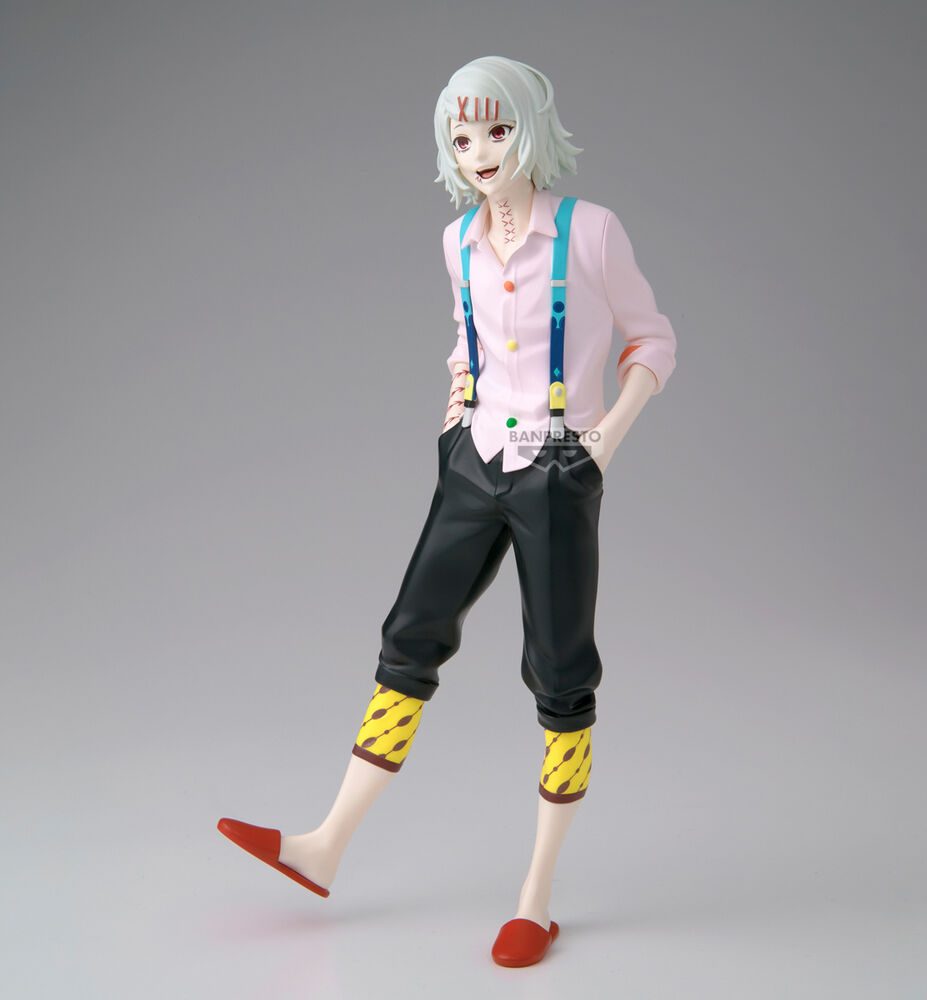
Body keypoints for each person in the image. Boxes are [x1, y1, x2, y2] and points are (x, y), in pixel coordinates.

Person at [218, 55, 677, 968]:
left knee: (560, 671)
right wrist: (457, 407)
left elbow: (655, 341)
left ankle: (535, 900)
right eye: (463, 137)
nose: (481, 151)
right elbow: (470, 340)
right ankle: (322, 848)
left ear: (532, 130)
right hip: (474, 462)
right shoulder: (457, 239)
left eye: (498, 129)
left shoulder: (590, 231)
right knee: (409, 636)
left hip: (556, 467)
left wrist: (601, 442)